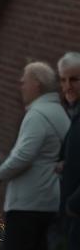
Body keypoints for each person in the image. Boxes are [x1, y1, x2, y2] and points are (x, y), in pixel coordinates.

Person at [0, 61, 71, 250]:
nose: (20, 86)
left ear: (37, 84)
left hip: (28, 204)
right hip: (48, 201)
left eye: (24, 81)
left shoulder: (37, 115)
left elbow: (23, 156)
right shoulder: (59, 112)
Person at [57, 52, 80, 250]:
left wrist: (73, 204)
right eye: (63, 80)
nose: (67, 86)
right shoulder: (75, 113)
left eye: (74, 79)